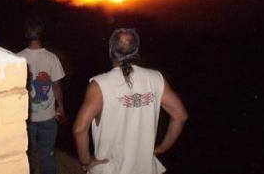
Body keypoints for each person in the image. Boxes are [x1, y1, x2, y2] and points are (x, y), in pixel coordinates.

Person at [73, 28, 188, 174]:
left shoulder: (99, 85)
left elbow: (79, 129)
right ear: (136, 50)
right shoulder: (156, 79)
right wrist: (161, 148)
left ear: (110, 50)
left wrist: (86, 160)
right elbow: (180, 115)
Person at [18, 17, 65, 174]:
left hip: (27, 117)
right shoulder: (51, 58)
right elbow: (57, 85)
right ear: (42, 34)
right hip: (48, 116)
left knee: (27, 155)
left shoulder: (17, 58)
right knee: (47, 154)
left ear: (26, 34)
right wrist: (61, 107)